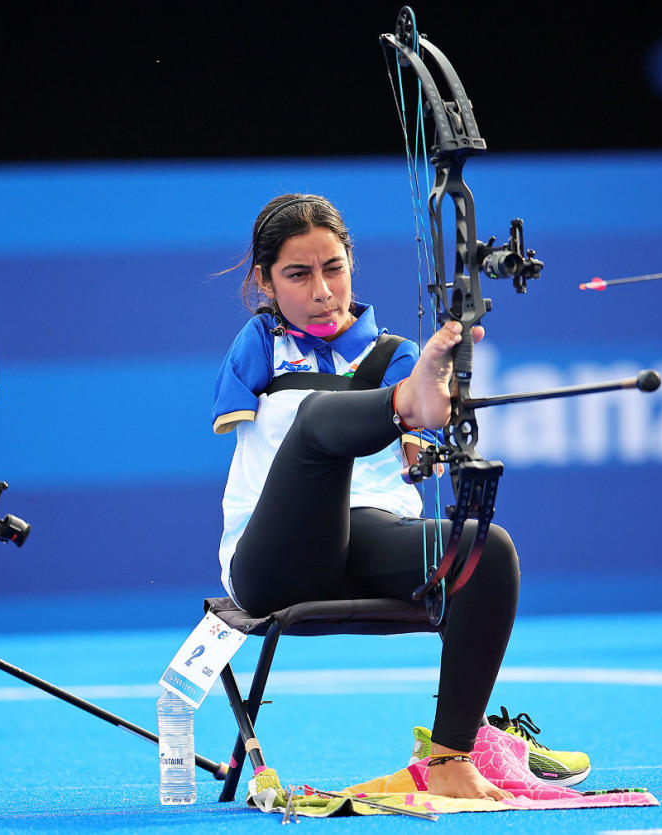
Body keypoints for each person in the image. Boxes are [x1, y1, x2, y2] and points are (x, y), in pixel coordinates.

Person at [211, 193, 583, 799]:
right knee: (317, 422)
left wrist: (426, 424)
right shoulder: (259, 344)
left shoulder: (396, 354)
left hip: (369, 541)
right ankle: (400, 405)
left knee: (486, 550)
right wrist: (403, 407)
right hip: (272, 560)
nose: (322, 291)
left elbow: (422, 448)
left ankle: (451, 759)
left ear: (352, 262)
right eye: (297, 275)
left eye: (333, 268)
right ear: (264, 281)